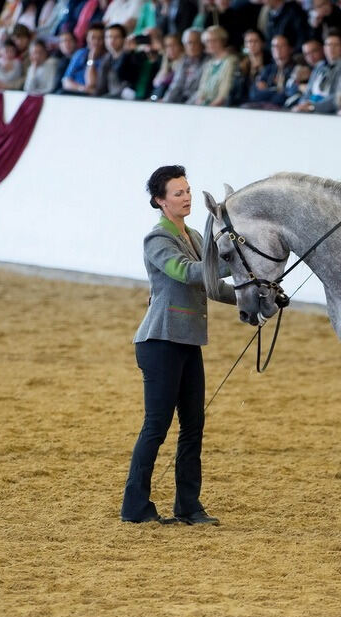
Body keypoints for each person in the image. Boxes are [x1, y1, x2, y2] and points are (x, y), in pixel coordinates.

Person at [121, 164, 235, 526]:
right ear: (160, 201)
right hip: (159, 342)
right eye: (178, 193)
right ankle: (135, 507)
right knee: (156, 426)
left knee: (193, 425)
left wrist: (256, 294)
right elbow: (187, 273)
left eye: (187, 191)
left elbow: (212, 285)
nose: (186, 198)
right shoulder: (158, 239)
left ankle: (188, 506)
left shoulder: (195, 238)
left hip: (186, 341)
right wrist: (231, 263)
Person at [291, 30, 341, 113]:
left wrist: (313, 107)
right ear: (324, 48)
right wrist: (302, 104)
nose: (331, 48)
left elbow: (338, 96)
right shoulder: (319, 66)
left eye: (336, 45)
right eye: (328, 45)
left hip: (329, 113)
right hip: (309, 109)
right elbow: (308, 92)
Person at [244, 33, 297, 108]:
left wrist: (267, 90)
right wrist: (277, 91)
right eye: (274, 46)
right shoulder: (268, 69)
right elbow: (254, 94)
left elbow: (286, 95)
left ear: (289, 48)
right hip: (264, 107)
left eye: (282, 46)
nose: (277, 49)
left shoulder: (296, 69)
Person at [189, 24, 235, 105]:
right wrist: (200, 100)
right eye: (207, 41)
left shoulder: (230, 61)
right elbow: (202, 88)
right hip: (206, 105)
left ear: (222, 41)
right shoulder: (209, 63)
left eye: (214, 40)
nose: (210, 44)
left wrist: (211, 106)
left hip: (220, 107)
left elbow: (224, 91)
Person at [162, 26, 205, 103]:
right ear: (184, 45)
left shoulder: (208, 61)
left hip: (195, 104)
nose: (192, 46)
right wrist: (165, 102)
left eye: (196, 42)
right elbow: (176, 85)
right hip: (180, 102)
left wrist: (186, 106)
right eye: (189, 43)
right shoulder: (183, 61)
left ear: (202, 44)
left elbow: (203, 90)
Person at [60, 21, 105, 94]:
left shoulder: (105, 58)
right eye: (93, 38)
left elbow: (91, 84)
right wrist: (81, 89)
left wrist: (91, 59)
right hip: (77, 91)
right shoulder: (80, 53)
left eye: (100, 38)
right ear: (87, 38)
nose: (96, 41)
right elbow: (66, 81)